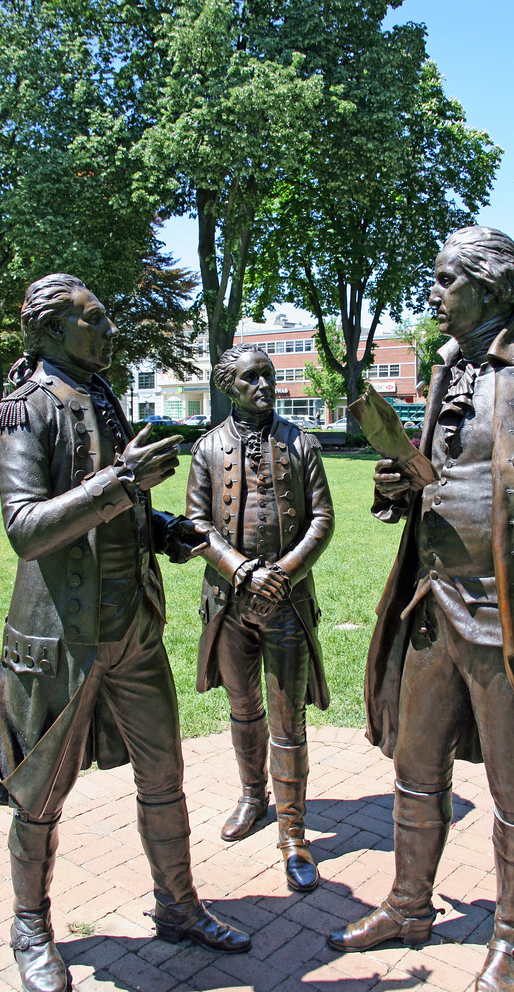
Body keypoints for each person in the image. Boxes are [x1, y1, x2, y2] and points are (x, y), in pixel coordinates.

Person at [327, 228, 514, 992]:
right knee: (414, 768)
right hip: (433, 605)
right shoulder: (448, 367)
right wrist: (399, 490)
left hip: (507, 621)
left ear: (491, 288)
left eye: (443, 280)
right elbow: (434, 473)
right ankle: (407, 905)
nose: (433, 294)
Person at [0, 275, 250, 992]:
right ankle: (30, 927)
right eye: (93, 321)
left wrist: (165, 529)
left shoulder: (102, 395)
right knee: (40, 793)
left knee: (164, 773)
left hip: (133, 626)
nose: (108, 332)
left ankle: (178, 906)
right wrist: (123, 484)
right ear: (50, 331)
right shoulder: (22, 409)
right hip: (60, 639)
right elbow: (25, 530)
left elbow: (118, 516)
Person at [186, 344, 334, 892]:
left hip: (288, 602)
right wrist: (242, 570)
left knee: (287, 717)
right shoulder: (207, 450)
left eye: (269, 376)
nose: (265, 385)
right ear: (230, 385)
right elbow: (197, 524)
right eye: (252, 378)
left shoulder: (303, 443)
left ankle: (294, 832)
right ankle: (253, 798)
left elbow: (322, 518)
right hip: (228, 602)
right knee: (243, 708)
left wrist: (285, 572)